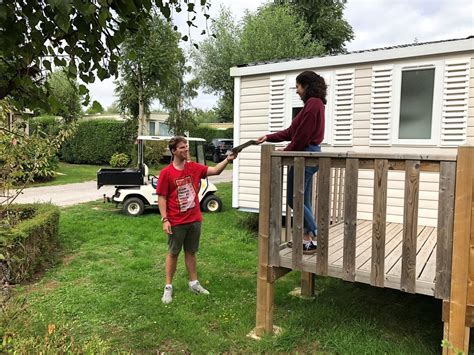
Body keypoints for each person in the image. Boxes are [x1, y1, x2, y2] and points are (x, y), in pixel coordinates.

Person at [157, 136, 237, 304]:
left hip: (194, 219)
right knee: (173, 253)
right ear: (173, 151)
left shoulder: (193, 167)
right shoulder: (166, 173)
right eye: (181, 148)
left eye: (186, 146)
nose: (186, 149)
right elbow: (162, 198)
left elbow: (215, 171)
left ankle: (194, 283)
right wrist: (165, 220)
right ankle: (168, 287)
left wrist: (227, 160)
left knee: (191, 252)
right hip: (176, 221)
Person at [256, 70, 327, 255]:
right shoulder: (312, 105)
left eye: (297, 86)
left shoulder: (313, 104)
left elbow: (302, 137)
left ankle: (318, 235)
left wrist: (287, 151)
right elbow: (291, 132)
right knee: (303, 201)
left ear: (306, 86)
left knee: (293, 199)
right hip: (308, 154)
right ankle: (307, 241)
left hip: (304, 155)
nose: (296, 91)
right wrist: (268, 137)